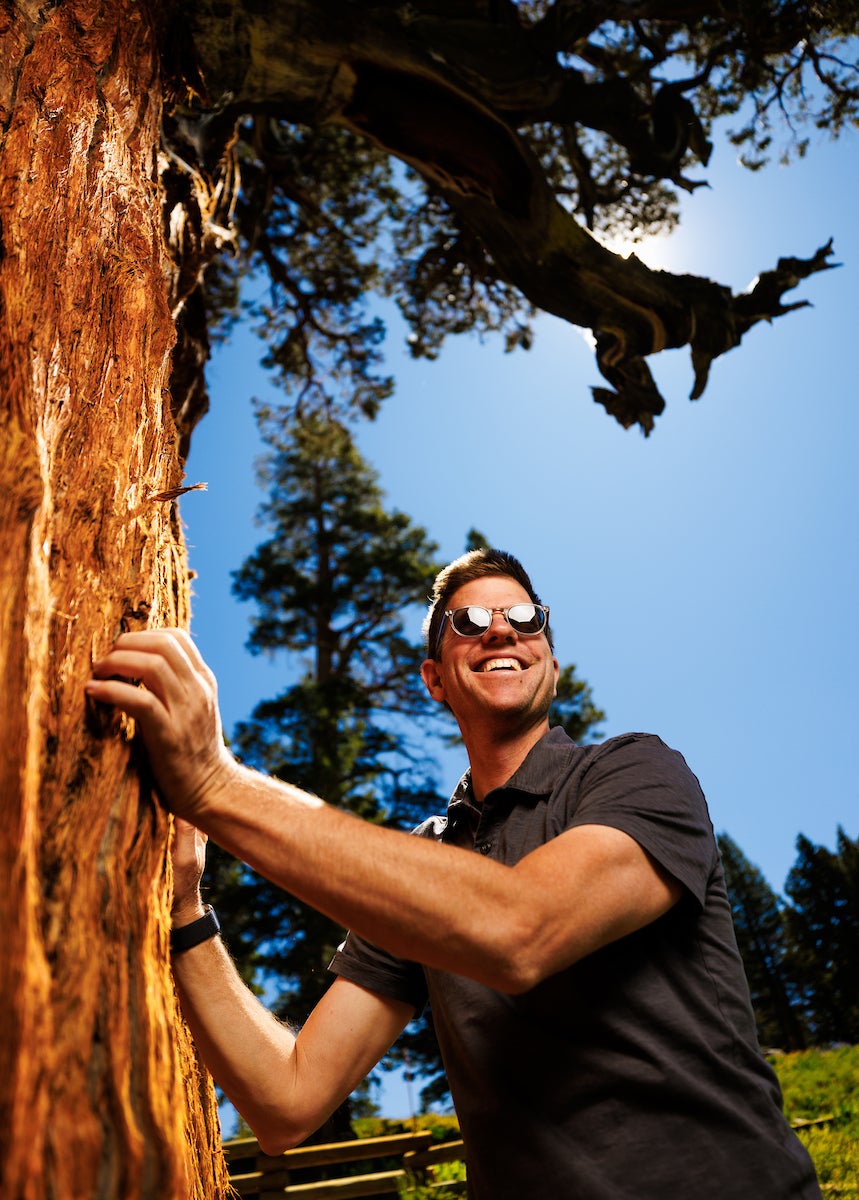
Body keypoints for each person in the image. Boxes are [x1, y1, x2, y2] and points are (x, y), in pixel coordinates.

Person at [87, 548, 821, 1199]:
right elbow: (287, 1101)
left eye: (524, 617)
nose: (499, 629)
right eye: (466, 623)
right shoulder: (426, 876)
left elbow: (520, 930)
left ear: (551, 665)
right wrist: (187, 914)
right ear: (434, 679)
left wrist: (216, 786)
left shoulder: (635, 772)